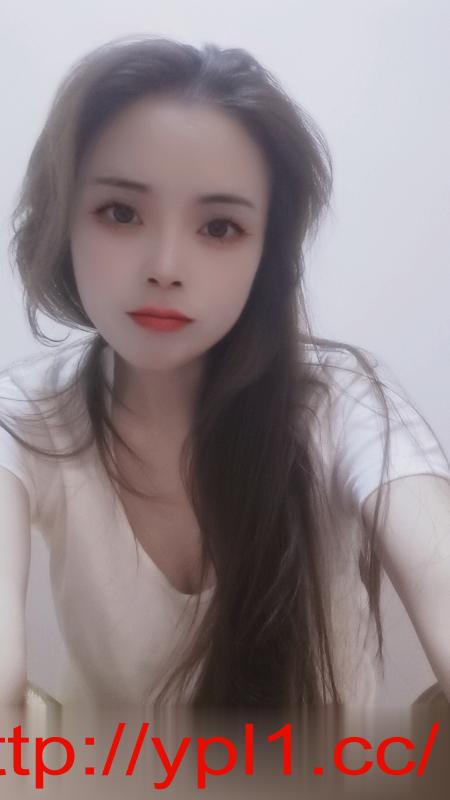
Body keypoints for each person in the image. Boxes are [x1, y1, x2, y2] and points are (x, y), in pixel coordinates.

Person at [0, 34, 449, 709]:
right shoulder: (28, 416)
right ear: (65, 223)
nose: (165, 266)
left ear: (266, 253)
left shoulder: (345, 402)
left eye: (218, 228)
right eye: (120, 212)